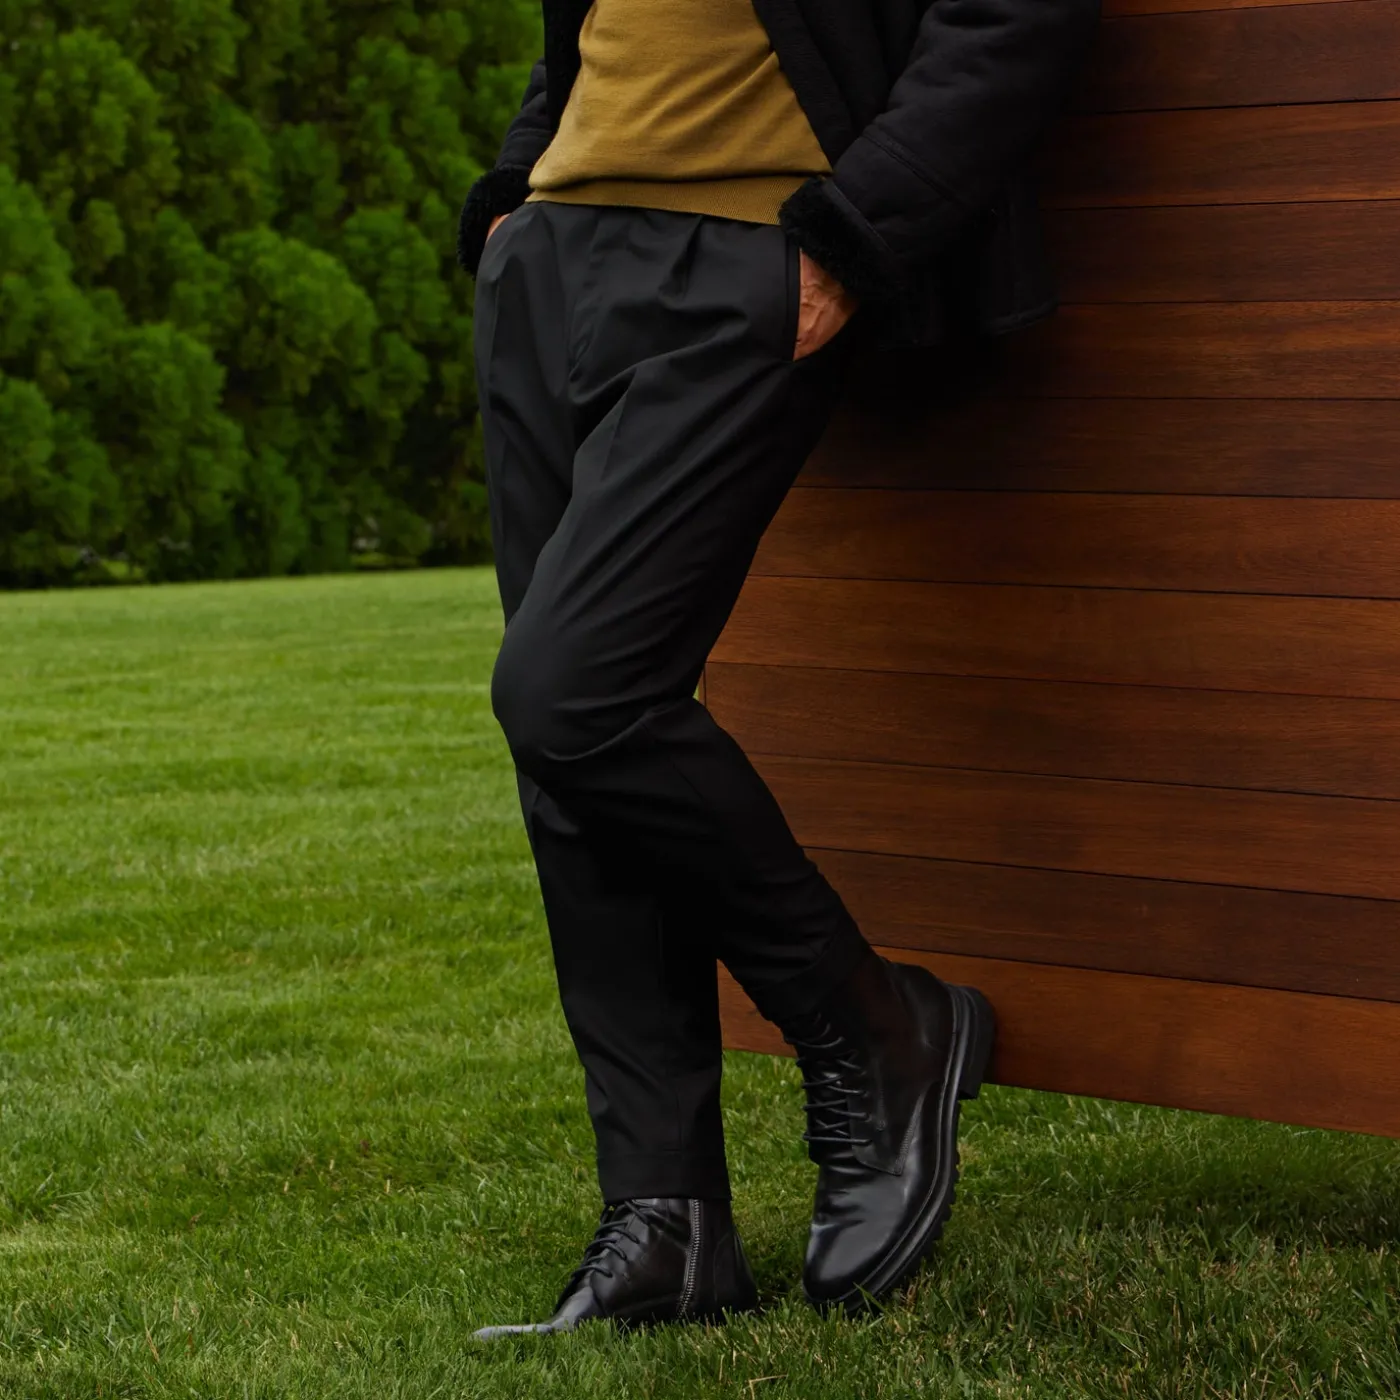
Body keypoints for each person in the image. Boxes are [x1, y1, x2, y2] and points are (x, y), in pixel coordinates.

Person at [460, 0, 1099, 1337]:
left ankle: (876, 1029)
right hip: (552, 255)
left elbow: (1016, 14)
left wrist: (857, 234)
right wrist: (516, 195)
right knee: (568, 764)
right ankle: (666, 1222)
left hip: (743, 254)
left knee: (572, 694)